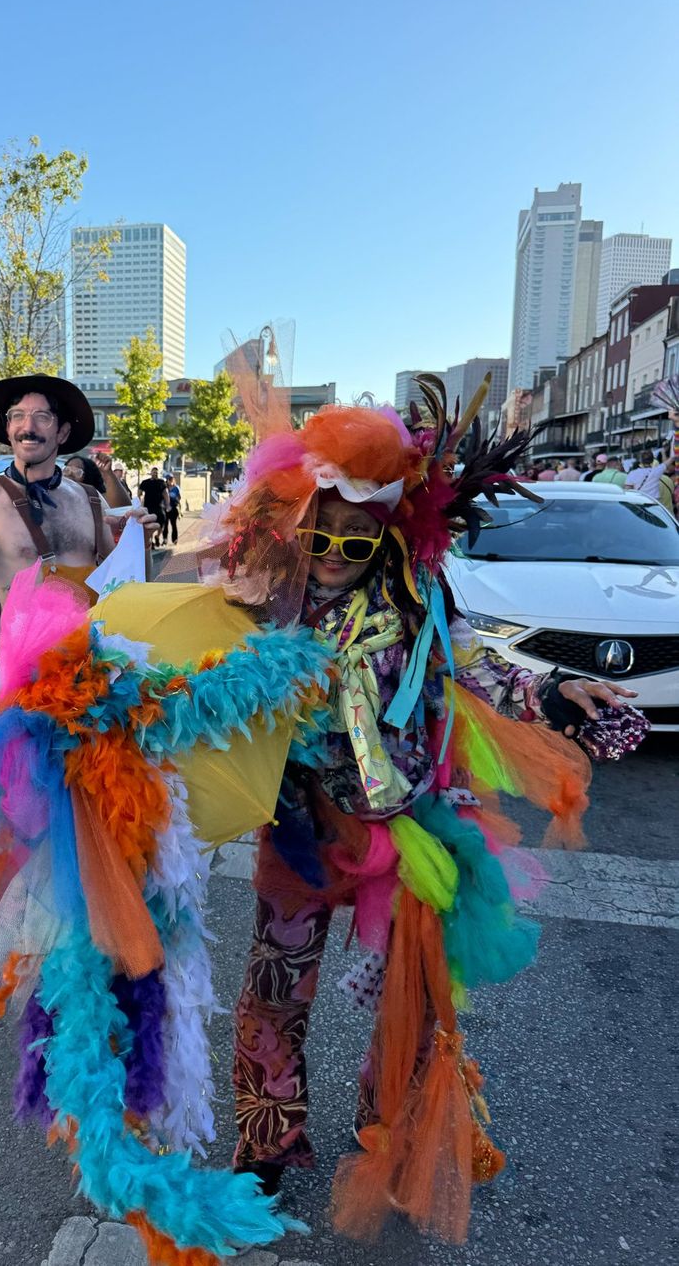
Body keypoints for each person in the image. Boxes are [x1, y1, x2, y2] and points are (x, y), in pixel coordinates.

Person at [193, 386, 646, 1243]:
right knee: (276, 983)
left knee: (411, 990)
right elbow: (195, 674)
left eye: (352, 541)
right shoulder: (261, 600)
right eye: (319, 537)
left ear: (383, 537)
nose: (331, 555)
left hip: (401, 826)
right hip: (297, 823)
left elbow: (480, 666)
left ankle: (392, 1132)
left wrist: (553, 689)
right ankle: (268, 1140)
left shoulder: (415, 597)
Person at [0, 375, 153, 605]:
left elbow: (126, 586)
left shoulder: (90, 499)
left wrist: (140, 543)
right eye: (17, 415)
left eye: (42, 417)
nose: (27, 427)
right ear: (8, 428)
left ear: (62, 433)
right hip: (26, 642)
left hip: (94, 640)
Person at [63, 453, 132, 509]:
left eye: (77, 471)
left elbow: (122, 509)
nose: (70, 474)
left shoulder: (99, 500)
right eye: (67, 469)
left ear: (89, 477)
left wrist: (108, 473)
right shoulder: (58, 494)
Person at [138, 467, 169, 548]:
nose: (155, 474)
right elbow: (139, 493)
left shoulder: (161, 482)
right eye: (154, 472)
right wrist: (139, 503)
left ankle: (157, 536)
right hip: (148, 507)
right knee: (149, 524)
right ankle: (151, 542)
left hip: (159, 507)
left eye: (156, 472)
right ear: (151, 473)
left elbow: (166, 494)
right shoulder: (145, 482)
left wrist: (168, 504)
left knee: (161, 523)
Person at [161, 472, 181, 544]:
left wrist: (176, 501)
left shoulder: (176, 488)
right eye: (169, 479)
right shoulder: (164, 489)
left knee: (174, 525)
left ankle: (175, 539)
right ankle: (165, 539)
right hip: (165, 509)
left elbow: (179, 497)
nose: (170, 480)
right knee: (165, 525)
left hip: (173, 509)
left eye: (171, 479)